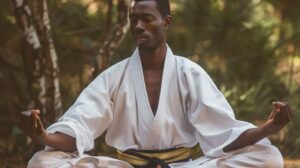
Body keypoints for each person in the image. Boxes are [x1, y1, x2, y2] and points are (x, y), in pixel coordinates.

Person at [26, 0, 293, 167]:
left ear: (166, 22)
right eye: (134, 20)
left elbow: (225, 134)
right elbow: (80, 125)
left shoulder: (190, 73)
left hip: (183, 167)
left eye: (147, 19)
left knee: (269, 158)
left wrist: (268, 128)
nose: (138, 26)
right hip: (127, 166)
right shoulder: (114, 77)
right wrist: (43, 136)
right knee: (41, 161)